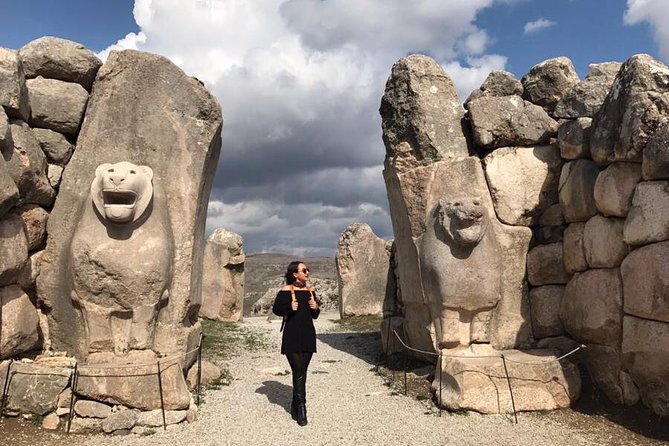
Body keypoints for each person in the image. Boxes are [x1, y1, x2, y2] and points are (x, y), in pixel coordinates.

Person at [272, 261, 320, 426]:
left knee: (302, 371)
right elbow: (276, 310)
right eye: (304, 270)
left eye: (307, 270)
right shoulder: (285, 291)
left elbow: (315, 316)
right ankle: (302, 407)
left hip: (308, 335)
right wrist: (289, 307)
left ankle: (296, 403)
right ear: (294, 273)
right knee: (298, 369)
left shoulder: (310, 291)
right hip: (291, 336)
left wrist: (315, 308)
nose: (307, 272)